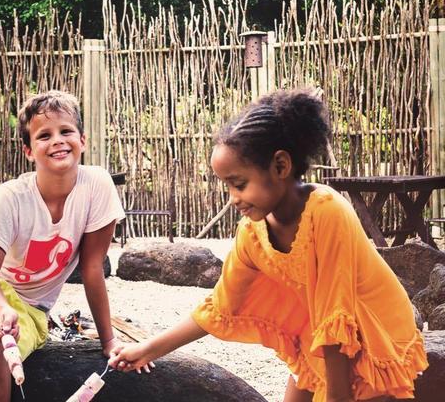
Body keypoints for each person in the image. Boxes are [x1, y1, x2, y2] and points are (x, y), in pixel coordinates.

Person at [110, 89, 428, 402]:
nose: (233, 198)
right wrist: (146, 349)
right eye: (227, 186)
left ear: (280, 166)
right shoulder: (252, 233)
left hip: (373, 333)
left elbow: (337, 320)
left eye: (239, 184)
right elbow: (220, 307)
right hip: (319, 337)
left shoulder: (327, 212)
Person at [0, 90, 126, 402]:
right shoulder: (11, 197)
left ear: (83, 141)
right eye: (44, 135)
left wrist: (108, 340)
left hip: (31, 309)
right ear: (29, 151)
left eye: (66, 131)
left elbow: (92, 269)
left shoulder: (97, 187)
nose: (57, 140)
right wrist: (1, 308)